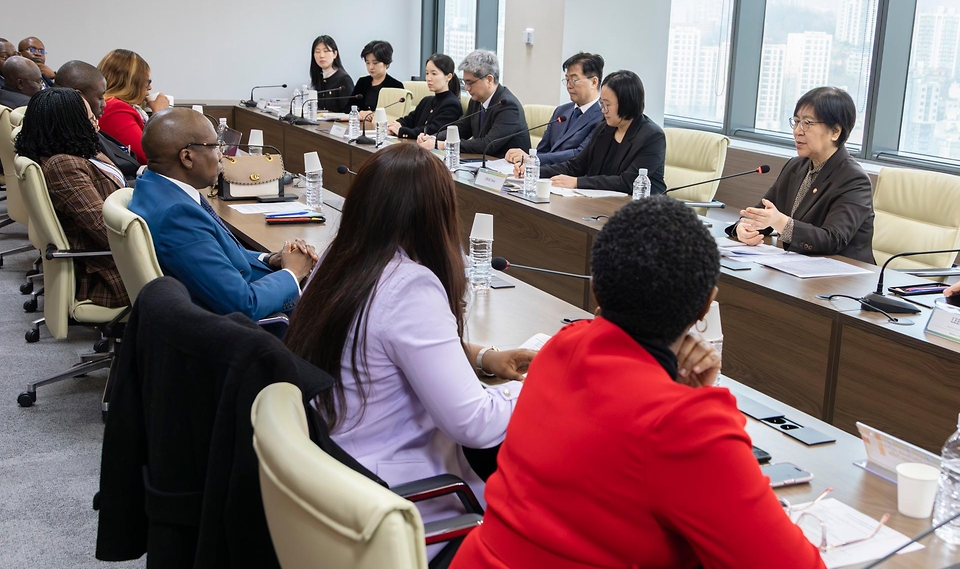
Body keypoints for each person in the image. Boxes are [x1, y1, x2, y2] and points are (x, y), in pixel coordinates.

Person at [451, 196, 825, 569]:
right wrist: (699, 400)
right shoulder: (686, 426)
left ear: (596, 291)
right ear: (704, 308)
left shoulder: (560, 349)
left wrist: (681, 392)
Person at [283, 144, 534, 556]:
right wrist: (538, 385)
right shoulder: (410, 285)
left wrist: (482, 357)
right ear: (435, 216)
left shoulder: (339, 258)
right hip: (392, 502)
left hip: (332, 476)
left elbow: (383, 344)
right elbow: (473, 423)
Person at [128, 108, 316, 320]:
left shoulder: (155, 187)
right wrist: (292, 273)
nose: (221, 155)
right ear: (187, 157)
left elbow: (218, 253)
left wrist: (270, 258)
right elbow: (244, 305)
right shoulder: (178, 216)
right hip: (248, 332)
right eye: (215, 147)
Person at [726, 87, 875, 264]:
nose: (798, 131)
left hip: (844, 278)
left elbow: (833, 239)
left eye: (807, 123)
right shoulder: (796, 166)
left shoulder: (854, 180)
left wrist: (780, 221)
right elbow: (763, 213)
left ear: (836, 131)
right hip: (799, 268)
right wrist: (744, 228)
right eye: (796, 122)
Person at [14, 88, 129, 308]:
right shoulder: (64, 165)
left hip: (121, 251)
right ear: (69, 124)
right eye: (87, 116)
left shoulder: (81, 151)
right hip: (110, 272)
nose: (95, 118)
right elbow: (105, 231)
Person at [536, 70, 666, 194]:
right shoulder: (604, 128)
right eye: (601, 103)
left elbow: (627, 182)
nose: (603, 110)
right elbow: (576, 165)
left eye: (607, 105)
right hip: (600, 203)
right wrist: (537, 171)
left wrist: (577, 182)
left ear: (626, 104)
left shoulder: (652, 136)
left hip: (641, 209)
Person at [417, 49, 530, 157]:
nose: (467, 88)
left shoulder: (507, 105)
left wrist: (442, 144)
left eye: (470, 83)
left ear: (489, 80)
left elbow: (487, 144)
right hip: (482, 166)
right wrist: (433, 138)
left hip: (508, 171)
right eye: (465, 82)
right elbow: (461, 129)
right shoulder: (476, 101)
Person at [504, 52, 604, 166]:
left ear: (594, 82)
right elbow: (542, 149)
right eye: (567, 80)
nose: (569, 85)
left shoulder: (602, 117)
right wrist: (529, 164)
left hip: (570, 178)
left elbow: (578, 154)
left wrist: (532, 159)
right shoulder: (561, 111)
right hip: (544, 174)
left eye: (574, 80)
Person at [55, 60, 141, 181]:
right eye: (100, 97)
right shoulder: (72, 140)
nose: (104, 104)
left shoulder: (82, 129)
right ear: (79, 96)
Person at [97, 49, 170, 165]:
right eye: (147, 82)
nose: (150, 88)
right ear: (132, 83)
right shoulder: (115, 110)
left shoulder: (110, 105)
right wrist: (160, 114)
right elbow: (149, 155)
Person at [387, 53, 462, 140]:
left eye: (434, 74)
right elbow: (409, 120)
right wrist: (394, 126)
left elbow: (432, 131)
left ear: (448, 77)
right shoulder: (426, 100)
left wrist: (401, 131)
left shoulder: (451, 104)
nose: (428, 78)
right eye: (427, 73)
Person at [350, 40, 404, 117]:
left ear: (386, 63)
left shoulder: (396, 86)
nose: (371, 67)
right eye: (367, 63)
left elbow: (396, 116)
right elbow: (348, 107)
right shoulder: (362, 82)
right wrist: (360, 113)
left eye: (375, 63)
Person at [309, 35, 355, 113]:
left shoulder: (344, 79)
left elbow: (349, 112)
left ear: (335, 54)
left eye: (326, 51)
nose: (321, 55)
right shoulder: (318, 77)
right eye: (317, 52)